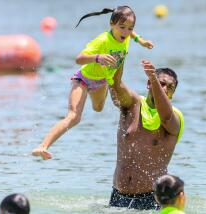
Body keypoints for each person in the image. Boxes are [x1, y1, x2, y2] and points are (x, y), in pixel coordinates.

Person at [32, 6, 153, 160]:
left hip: (101, 81)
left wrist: (141, 41)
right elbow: (78, 58)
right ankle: (43, 146)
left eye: (130, 28)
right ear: (112, 24)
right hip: (83, 79)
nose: (126, 32)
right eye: (122, 27)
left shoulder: (127, 35)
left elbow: (132, 34)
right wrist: (97, 57)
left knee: (98, 108)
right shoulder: (102, 40)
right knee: (74, 117)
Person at [108, 59, 184, 210]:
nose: (165, 88)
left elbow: (165, 116)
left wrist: (155, 80)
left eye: (170, 87)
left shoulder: (175, 117)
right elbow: (116, 85)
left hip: (151, 199)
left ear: (172, 94)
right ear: (148, 83)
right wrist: (118, 58)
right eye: (161, 83)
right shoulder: (133, 104)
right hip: (117, 196)